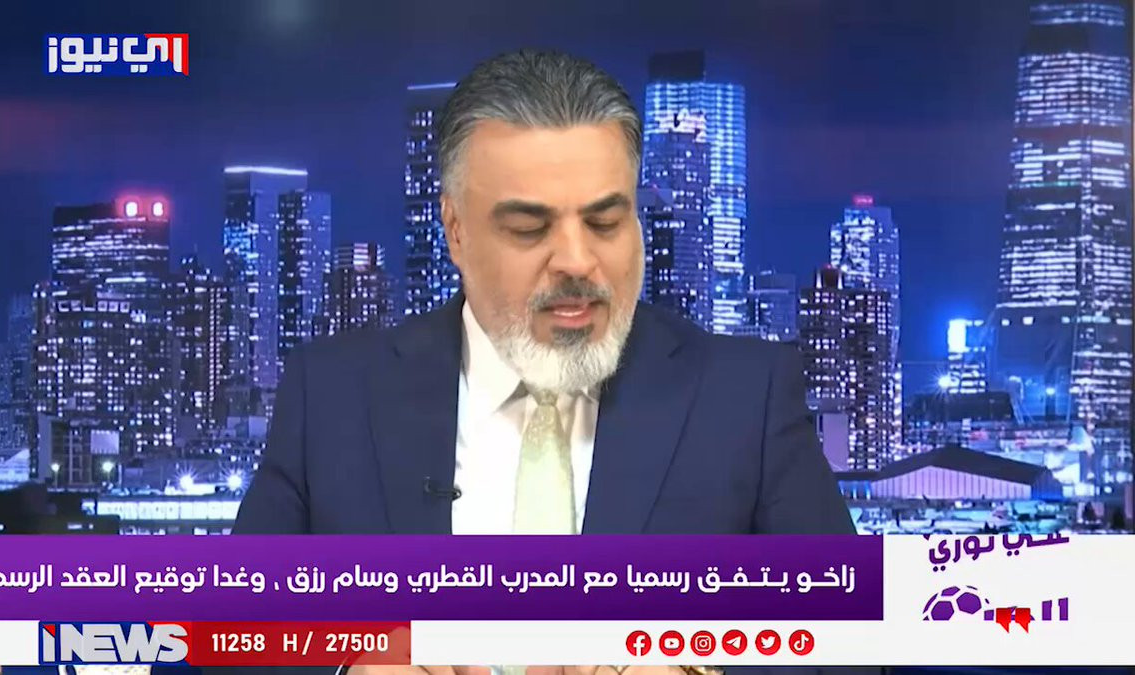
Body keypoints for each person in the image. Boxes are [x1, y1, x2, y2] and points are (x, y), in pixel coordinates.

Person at [232, 49, 857, 675]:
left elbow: (853, 646)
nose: (577, 261)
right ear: (455, 229)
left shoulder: (746, 397)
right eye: (530, 228)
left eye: (605, 222)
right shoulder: (333, 395)